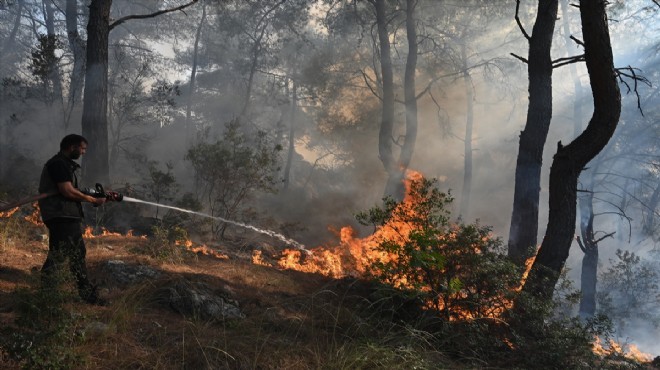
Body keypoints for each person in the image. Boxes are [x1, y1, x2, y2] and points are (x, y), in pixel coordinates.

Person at [38, 134, 107, 305]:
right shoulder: (59, 164)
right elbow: (67, 191)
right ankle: (49, 297)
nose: (83, 152)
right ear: (72, 147)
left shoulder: (63, 164)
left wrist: (90, 193)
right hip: (62, 216)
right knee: (63, 254)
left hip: (65, 215)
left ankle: (82, 294)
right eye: (82, 148)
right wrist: (92, 200)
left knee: (69, 254)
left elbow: (71, 189)